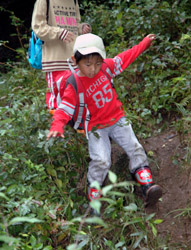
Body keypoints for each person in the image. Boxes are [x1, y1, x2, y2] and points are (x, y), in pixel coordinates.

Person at [46, 33, 162, 210]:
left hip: (118, 119)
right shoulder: (74, 83)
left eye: (97, 63)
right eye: (87, 64)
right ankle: (94, 197)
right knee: (101, 160)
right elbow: (65, 108)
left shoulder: (107, 68)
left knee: (135, 147)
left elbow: (126, 57)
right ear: (75, 61)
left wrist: (144, 44)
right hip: (95, 127)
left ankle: (146, 186)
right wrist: (57, 125)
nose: (93, 69)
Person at [31, 0, 91, 110]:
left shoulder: (73, 1)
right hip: (55, 60)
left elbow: (74, 24)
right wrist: (58, 33)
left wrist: (81, 27)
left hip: (74, 59)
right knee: (55, 100)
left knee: (77, 95)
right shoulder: (44, 1)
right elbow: (38, 26)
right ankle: (56, 126)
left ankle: (76, 125)